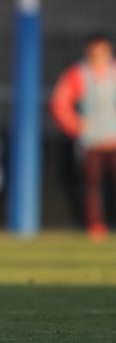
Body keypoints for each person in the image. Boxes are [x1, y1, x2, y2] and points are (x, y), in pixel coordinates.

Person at [50, 33, 116, 242]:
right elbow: (60, 102)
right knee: (92, 186)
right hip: (91, 141)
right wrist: (77, 125)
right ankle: (95, 226)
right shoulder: (78, 74)